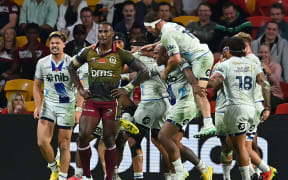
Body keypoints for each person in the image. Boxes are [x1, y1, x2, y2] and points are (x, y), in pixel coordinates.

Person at [68, 22, 149, 180]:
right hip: (92, 101)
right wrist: (80, 89)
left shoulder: (121, 54)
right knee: (83, 136)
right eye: (100, 31)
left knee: (109, 140)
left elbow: (143, 70)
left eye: (106, 32)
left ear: (112, 34)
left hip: (112, 103)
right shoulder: (88, 51)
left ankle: (110, 176)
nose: (103, 34)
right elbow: (71, 67)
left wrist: (128, 88)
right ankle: (85, 175)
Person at [208, 37, 276, 180]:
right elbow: (266, 84)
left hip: (234, 109)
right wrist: (268, 107)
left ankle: (254, 173)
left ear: (229, 50)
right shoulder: (252, 63)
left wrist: (200, 82)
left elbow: (214, 84)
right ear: (244, 49)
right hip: (252, 109)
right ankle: (257, 172)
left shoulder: (224, 65)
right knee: (241, 145)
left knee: (240, 146)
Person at [143, 11, 216, 138]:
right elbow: (169, 40)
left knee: (198, 90)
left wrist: (165, 72)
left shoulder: (166, 34)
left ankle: (208, 124)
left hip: (200, 58)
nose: (149, 31)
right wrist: (153, 45)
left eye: (149, 28)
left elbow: (176, 59)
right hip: (201, 55)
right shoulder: (170, 26)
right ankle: (200, 110)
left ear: (155, 25)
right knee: (198, 88)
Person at [154, 43, 213, 180]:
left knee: (164, 137)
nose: (154, 56)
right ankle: (204, 168)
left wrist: (195, 86)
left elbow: (188, 73)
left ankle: (179, 172)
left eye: (157, 53)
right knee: (175, 142)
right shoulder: (161, 66)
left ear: (165, 54)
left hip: (185, 106)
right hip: (176, 107)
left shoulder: (180, 62)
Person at [33, 31, 76, 180]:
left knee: (64, 145)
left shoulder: (72, 62)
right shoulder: (42, 62)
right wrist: (38, 106)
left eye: (58, 43)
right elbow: (36, 86)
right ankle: (54, 168)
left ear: (64, 45)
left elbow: (81, 87)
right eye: (52, 43)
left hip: (66, 105)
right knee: (41, 142)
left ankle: (62, 177)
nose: (55, 45)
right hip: (48, 104)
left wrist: (79, 109)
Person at [259, 43, 285, 114]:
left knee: (266, 91)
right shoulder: (256, 66)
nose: (263, 55)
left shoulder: (276, 66)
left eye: (266, 52)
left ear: (270, 53)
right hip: (261, 96)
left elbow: (275, 80)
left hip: (276, 97)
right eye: (261, 52)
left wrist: (267, 70)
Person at [0, 28, 19, 108]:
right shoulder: (0, 49)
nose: (8, 36)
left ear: (14, 36)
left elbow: (16, 65)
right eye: (6, 33)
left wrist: (7, 74)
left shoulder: (17, 51)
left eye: (11, 33)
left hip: (9, 75)